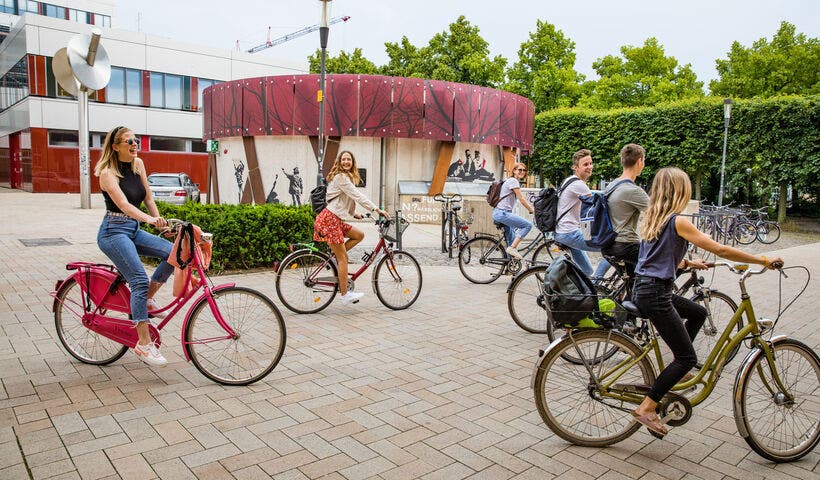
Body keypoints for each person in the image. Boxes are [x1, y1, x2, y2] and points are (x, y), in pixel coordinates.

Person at [630, 167, 783, 437]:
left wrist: (688, 263)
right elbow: (720, 248)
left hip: (645, 288)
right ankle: (647, 407)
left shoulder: (653, 218)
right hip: (655, 293)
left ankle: (676, 372)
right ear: (680, 191)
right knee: (687, 357)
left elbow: (655, 257)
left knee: (698, 313)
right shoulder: (678, 221)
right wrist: (763, 259)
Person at [95, 126, 174, 367]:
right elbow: (124, 206)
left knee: (172, 253)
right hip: (113, 231)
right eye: (128, 141)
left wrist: (160, 223)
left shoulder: (138, 164)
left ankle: (146, 299)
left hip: (133, 229)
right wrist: (149, 220)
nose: (134, 144)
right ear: (115, 146)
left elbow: (148, 198)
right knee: (139, 279)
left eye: (136, 140)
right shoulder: (107, 173)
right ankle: (144, 343)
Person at [314, 150, 389, 305]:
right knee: (343, 259)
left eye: (349, 159)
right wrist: (376, 209)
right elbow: (357, 196)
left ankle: (334, 256)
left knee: (359, 235)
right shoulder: (341, 177)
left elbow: (345, 199)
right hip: (330, 219)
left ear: (352, 162)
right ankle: (344, 295)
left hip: (335, 218)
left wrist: (354, 214)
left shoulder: (346, 177)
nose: (346, 162)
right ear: (339, 162)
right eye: (343, 159)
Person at [554, 149, 610, 278]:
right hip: (569, 233)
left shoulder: (569, 180)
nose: (590, 167)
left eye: (590, 163)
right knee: (611, 249)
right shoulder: (579, 185)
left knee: (587, 271)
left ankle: (574, 287)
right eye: (585, 164)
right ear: (575, 167)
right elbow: (597, 208)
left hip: (562, 231)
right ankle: (596, 285)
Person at [600, 144, 650, 280]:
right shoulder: (633, 190)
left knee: (632, 282)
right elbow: (658, 215)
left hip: (608, 245)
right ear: (640, 161)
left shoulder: (612, 185)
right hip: (626, 245)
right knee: (658, 262)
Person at [492, 162, 534, 259]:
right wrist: (531, 210)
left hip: (500, 213)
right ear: (514, 170)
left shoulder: (510, 180)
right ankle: (512, 248)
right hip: (502, 213)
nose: (522, 172)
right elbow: (521, 199)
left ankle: (509, 264)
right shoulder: (513, 181)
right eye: (520, 169)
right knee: (527, 225)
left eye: (524, 170)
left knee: (511, 240)